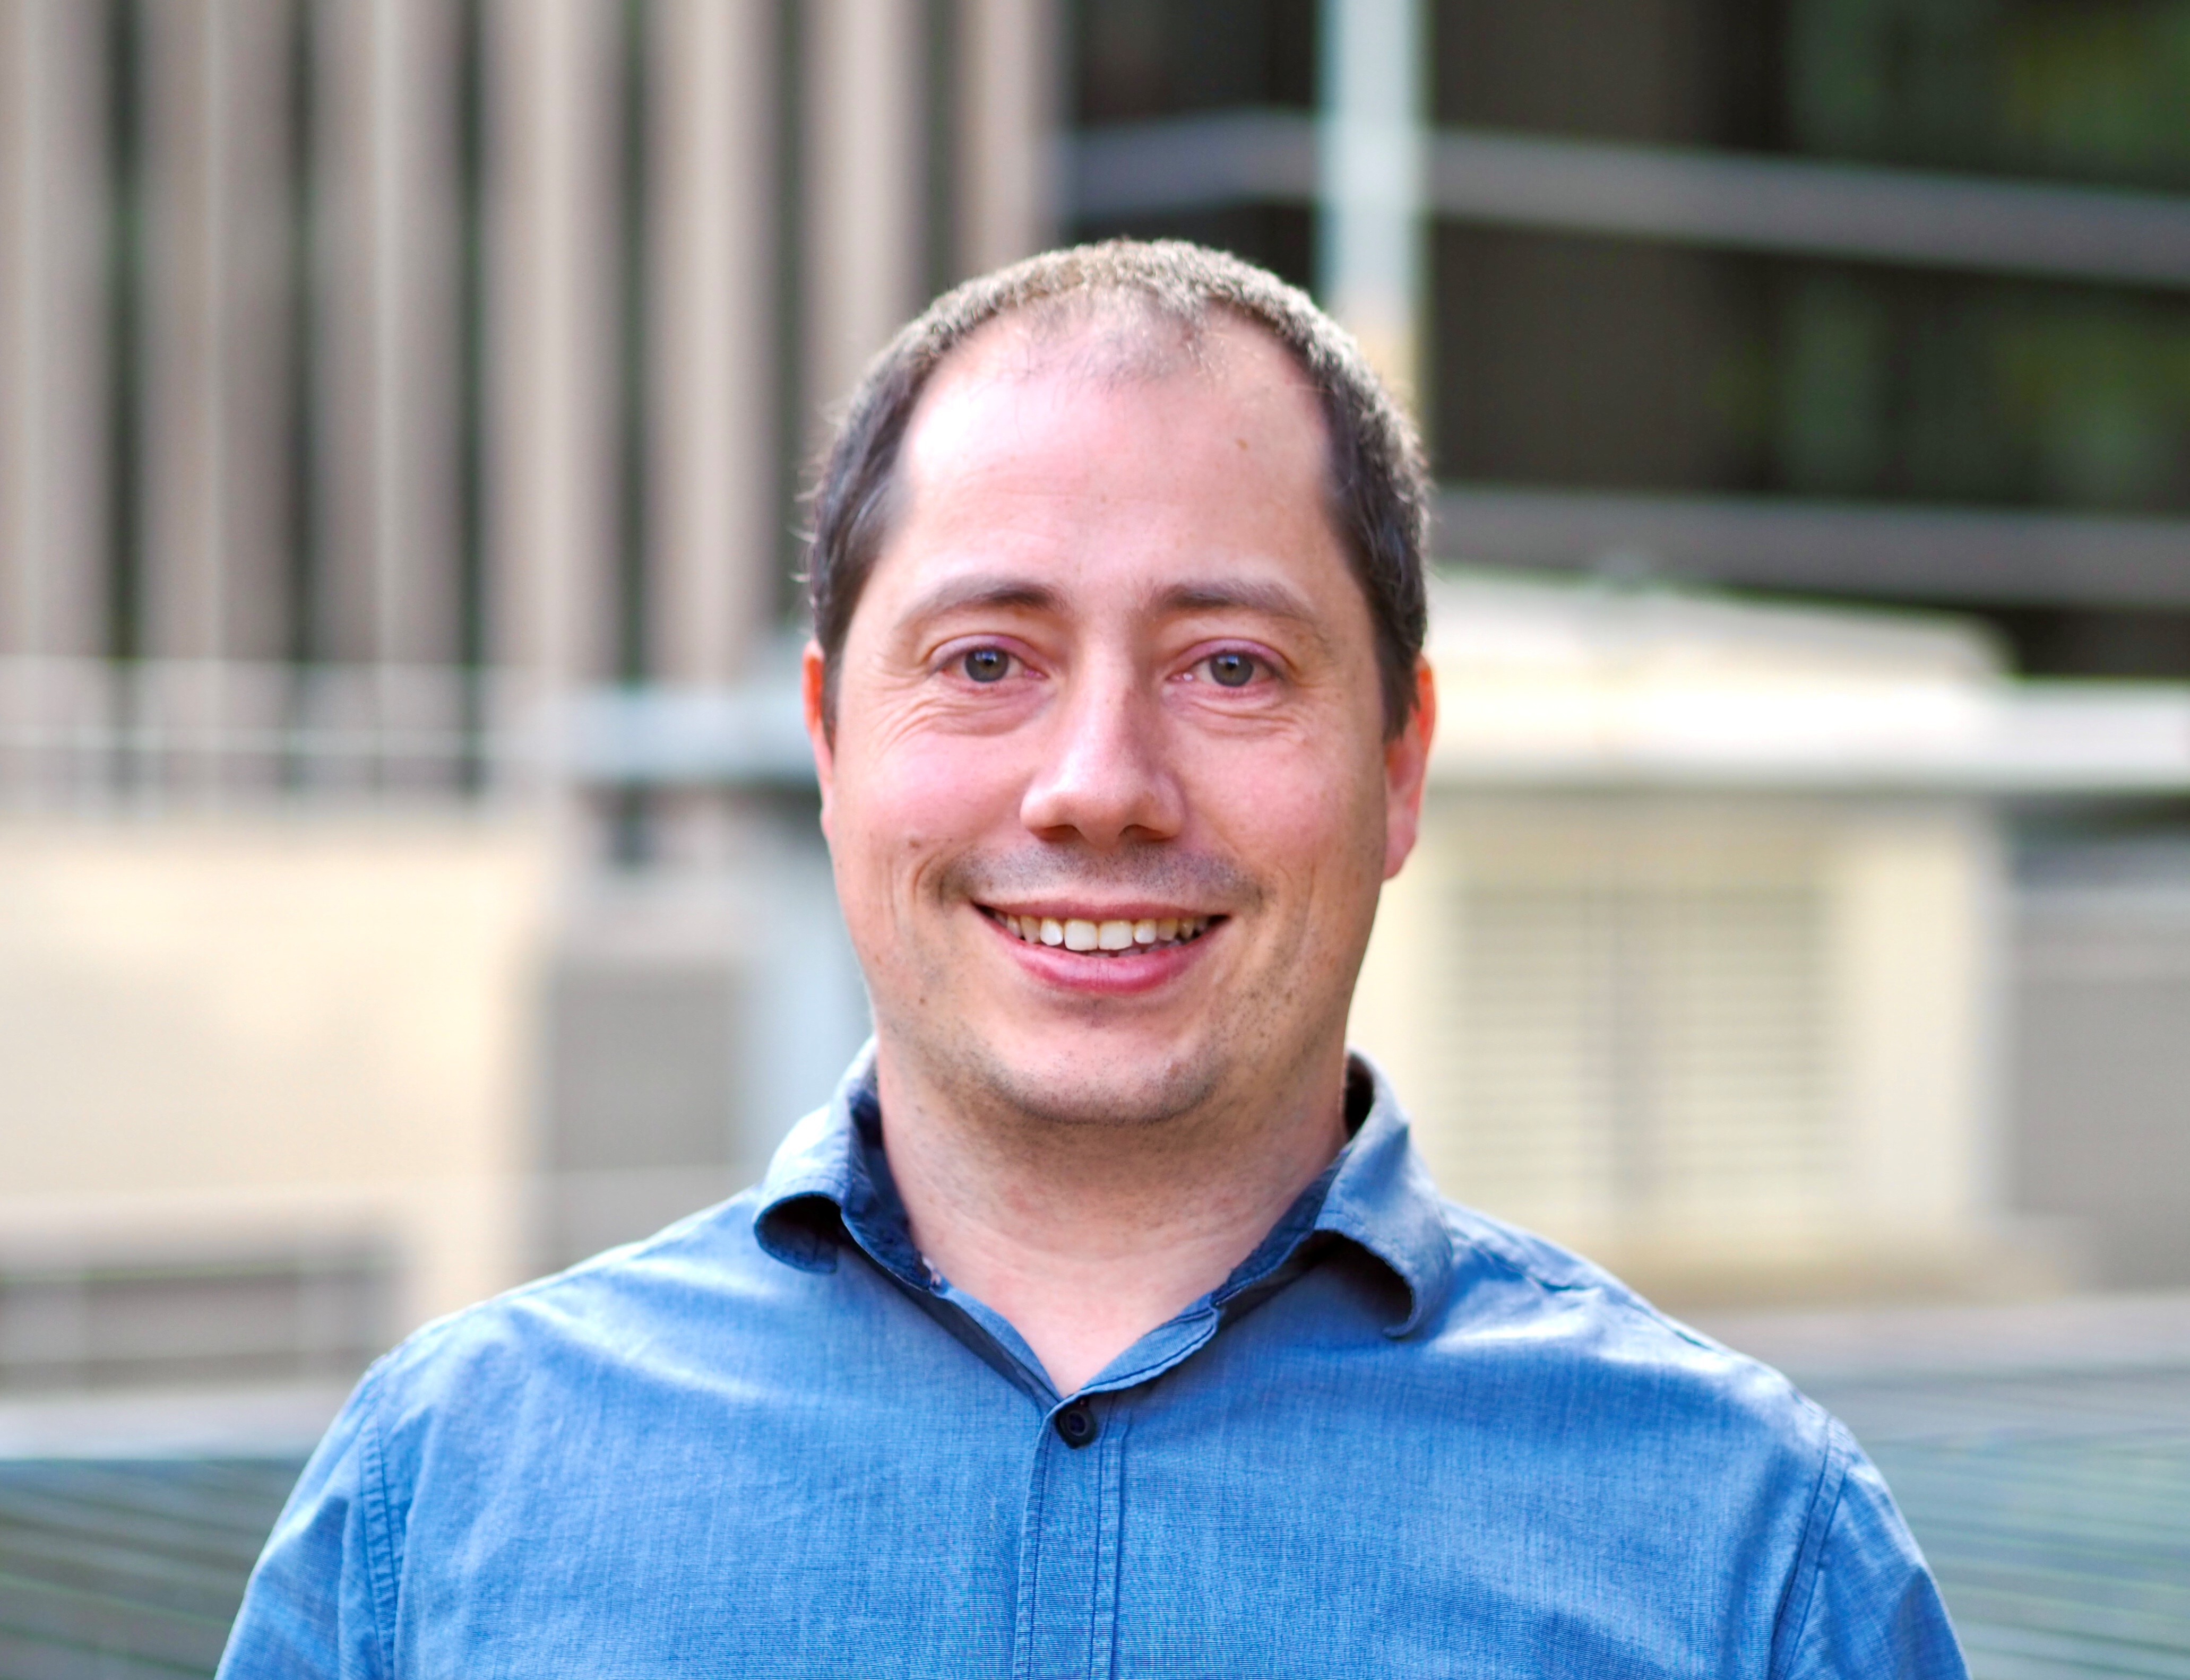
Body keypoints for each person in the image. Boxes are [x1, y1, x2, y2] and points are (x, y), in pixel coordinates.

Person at [219, 241, 1965, 1678]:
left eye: (1229, 668)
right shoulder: (439, 1506)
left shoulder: (1751, 1557)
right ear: (832, 747)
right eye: (986, 661)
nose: (1098, 788)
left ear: (1399, 764)